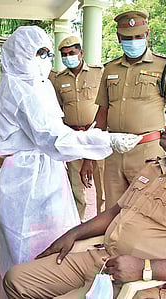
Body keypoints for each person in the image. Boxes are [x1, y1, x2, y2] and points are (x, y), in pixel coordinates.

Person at [3, 94, 166, 299]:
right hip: (102, 260)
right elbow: (116, 212)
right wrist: (72, 234)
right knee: (16, 279)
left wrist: (146, 268)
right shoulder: (153, 169)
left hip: (138, 281)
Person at [0, 26, 142, 296]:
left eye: (48, 53)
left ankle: (46, 287)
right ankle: (25, 288)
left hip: (46, 170)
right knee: (24, 242)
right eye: (39, 53)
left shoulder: (37, 84)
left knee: (55, 236)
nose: (46, 59)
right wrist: (106, 141)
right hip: (28, 175)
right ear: (20, 54)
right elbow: (52, 139)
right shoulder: (18, 89)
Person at [81, 10, 166, 210]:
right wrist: (88, 156)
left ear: (147, 35)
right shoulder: (110, 69)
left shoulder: (164, 66)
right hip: (114, 152)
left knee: (146, 210)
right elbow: (101, 115)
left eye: (138, 36)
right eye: (128, 38)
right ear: (119, 38)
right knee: (112, 210)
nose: (133, 41)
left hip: (149, 152)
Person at [50, 35, 106, 219]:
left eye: (71, 53)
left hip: (96, 136)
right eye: (64, 54)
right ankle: (77, 225)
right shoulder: (58, 79)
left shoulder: (99, 73)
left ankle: (102, 228)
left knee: (103, 188)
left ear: (81, 53)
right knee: (76, 187)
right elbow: (57, 109)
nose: (68, 57)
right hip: (72, 136)